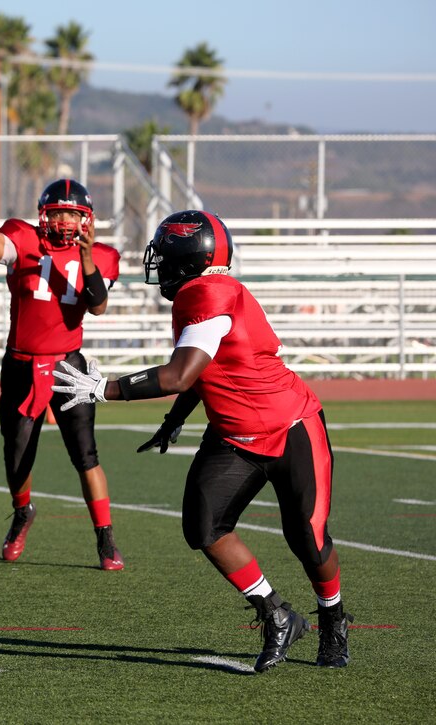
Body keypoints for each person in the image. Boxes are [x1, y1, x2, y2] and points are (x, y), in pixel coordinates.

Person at [51, 209, 352, 672]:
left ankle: (333, 621)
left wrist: (103, 388)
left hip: (291, 425)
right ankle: (276, 614)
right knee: (203, 526)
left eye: (166, 256)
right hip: (234, 433)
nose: (160, 265)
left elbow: (179, 374)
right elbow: (205, 368)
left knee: (308, 540)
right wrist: (175, 419)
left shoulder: (205, 293)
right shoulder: (204, 292)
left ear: (188, 259)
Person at [0, 162, 124, 569]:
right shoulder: (22, 239)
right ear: (44, 214)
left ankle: (105, 537)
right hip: (21, 364)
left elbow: (99, 306)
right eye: (57, 211)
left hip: (69, 368)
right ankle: (22, 514)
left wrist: (87, 259)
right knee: (17, 456)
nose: (64, 220)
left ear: (86, 218)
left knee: (85, 454)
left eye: (72, 213)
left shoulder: (103, 256)